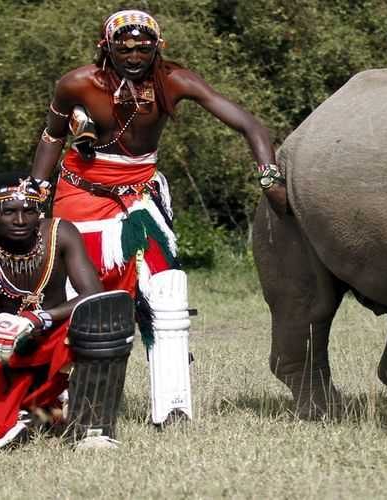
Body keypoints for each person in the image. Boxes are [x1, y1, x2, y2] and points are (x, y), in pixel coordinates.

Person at [30, 9, 286, 425]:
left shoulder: (173, 80)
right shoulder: (77, 83)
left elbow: (250, 125)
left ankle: (173, 406)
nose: (134, 56)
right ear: (105, 47)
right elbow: (52, 137)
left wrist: (269, 177)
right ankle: (68, 405)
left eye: (144, 48)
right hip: (81, 195)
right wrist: (35, 192)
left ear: (158, 48)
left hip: (141, 196)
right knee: (83, 296)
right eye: (123, 47)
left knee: (166, 288)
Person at [0, 172, 134, 450]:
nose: (20, 220)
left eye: (30, 211)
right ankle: (42, 411)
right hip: (1, 353)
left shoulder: (59, 233)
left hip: (54, 345)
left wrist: (39, 317)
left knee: (102, 318)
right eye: (8, 212)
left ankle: (94, 429)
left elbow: (94, 294)